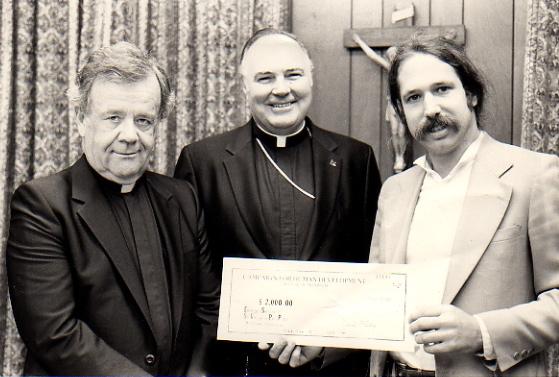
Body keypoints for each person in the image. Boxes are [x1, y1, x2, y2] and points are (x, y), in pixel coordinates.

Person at [174, 28, 382, 376]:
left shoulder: (354, 161)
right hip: (235, 366)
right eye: (265, 77)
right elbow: (191, 278)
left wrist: (330, 345)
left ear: (311, 80)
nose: (281, 88)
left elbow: (371, 269)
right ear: (244, 87)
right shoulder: (202, 162)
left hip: (330, 365)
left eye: (293, 74)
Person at [6, 42, 219, 376]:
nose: (130, 135)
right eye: (113, 118)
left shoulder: (183, 199)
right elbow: (55, 335)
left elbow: (209, 309)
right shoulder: (43, 205)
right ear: (81, 119)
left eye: (144, 120)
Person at [369, 36, 559, 377]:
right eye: (413, 98)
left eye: (442, 89)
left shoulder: (535, 176)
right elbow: (374, 299)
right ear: (400, 111)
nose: (430, 109)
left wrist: (481, 332)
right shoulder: (393, 191)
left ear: (470, 94)